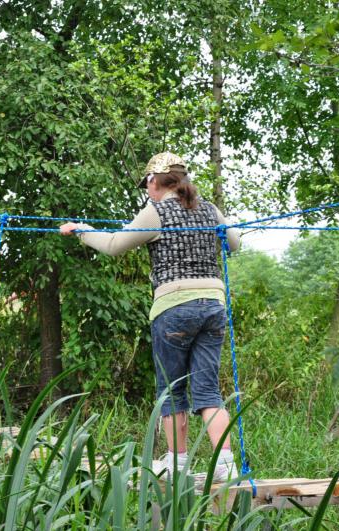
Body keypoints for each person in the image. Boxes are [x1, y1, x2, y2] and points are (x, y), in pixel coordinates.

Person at [59, 152, 241, 482]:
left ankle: (177, 465)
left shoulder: (156, 211)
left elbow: (114, 245)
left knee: (172, 389)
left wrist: (81, 230)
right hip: (213, 305)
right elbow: (234, 243)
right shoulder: (209, 209)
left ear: (155, 181)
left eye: (147, 185)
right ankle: (226, 466)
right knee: (208, 391)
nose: (148, 191)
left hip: (174, 307)